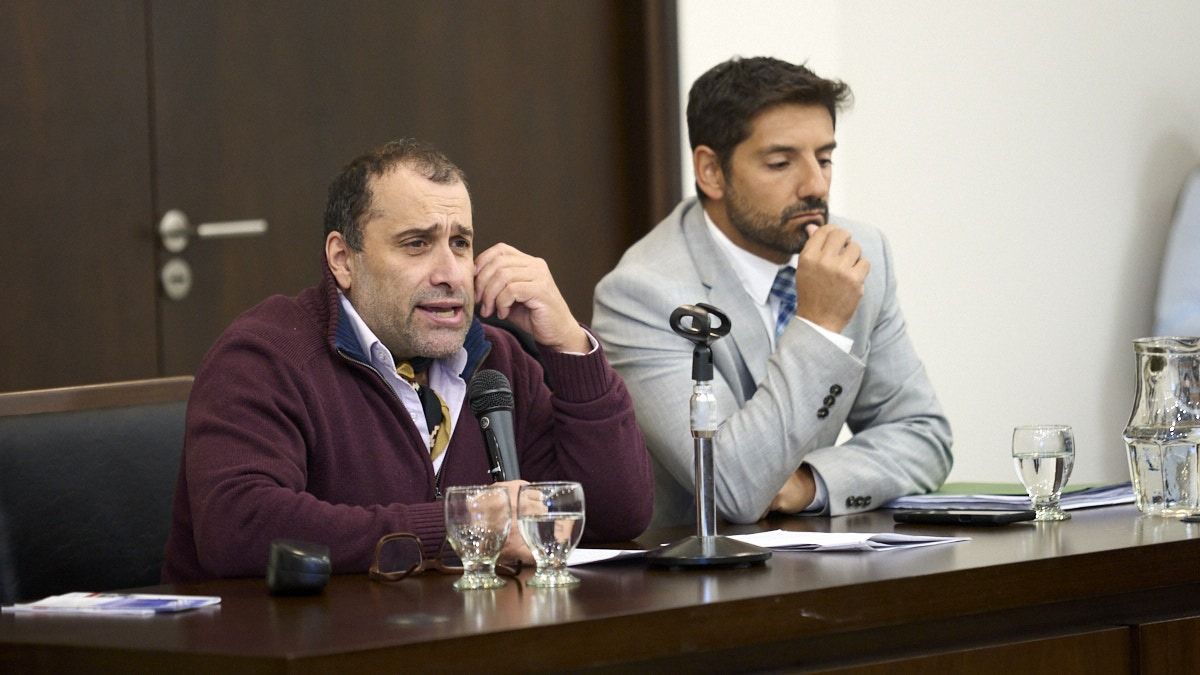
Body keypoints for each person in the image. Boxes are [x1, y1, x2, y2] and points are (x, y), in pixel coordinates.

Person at [164, 139, 653, 581]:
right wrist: (463, 524)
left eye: (460, 243)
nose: (449, 273)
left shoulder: (497, 362)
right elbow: (237, 527)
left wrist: (569, 346)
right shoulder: (266, 355)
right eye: (417, 244)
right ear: (343, 260)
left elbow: (616, 514)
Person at [592, 56, 952, 527]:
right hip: (693, 581)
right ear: (711, 172)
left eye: (824, 158)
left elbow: (923, 436)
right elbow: (730, 487)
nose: (816, 185)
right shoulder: (640, 296)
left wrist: (808, 483)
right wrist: (819, 327)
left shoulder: (859, 255)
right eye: (781, 163)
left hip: (819, 565)